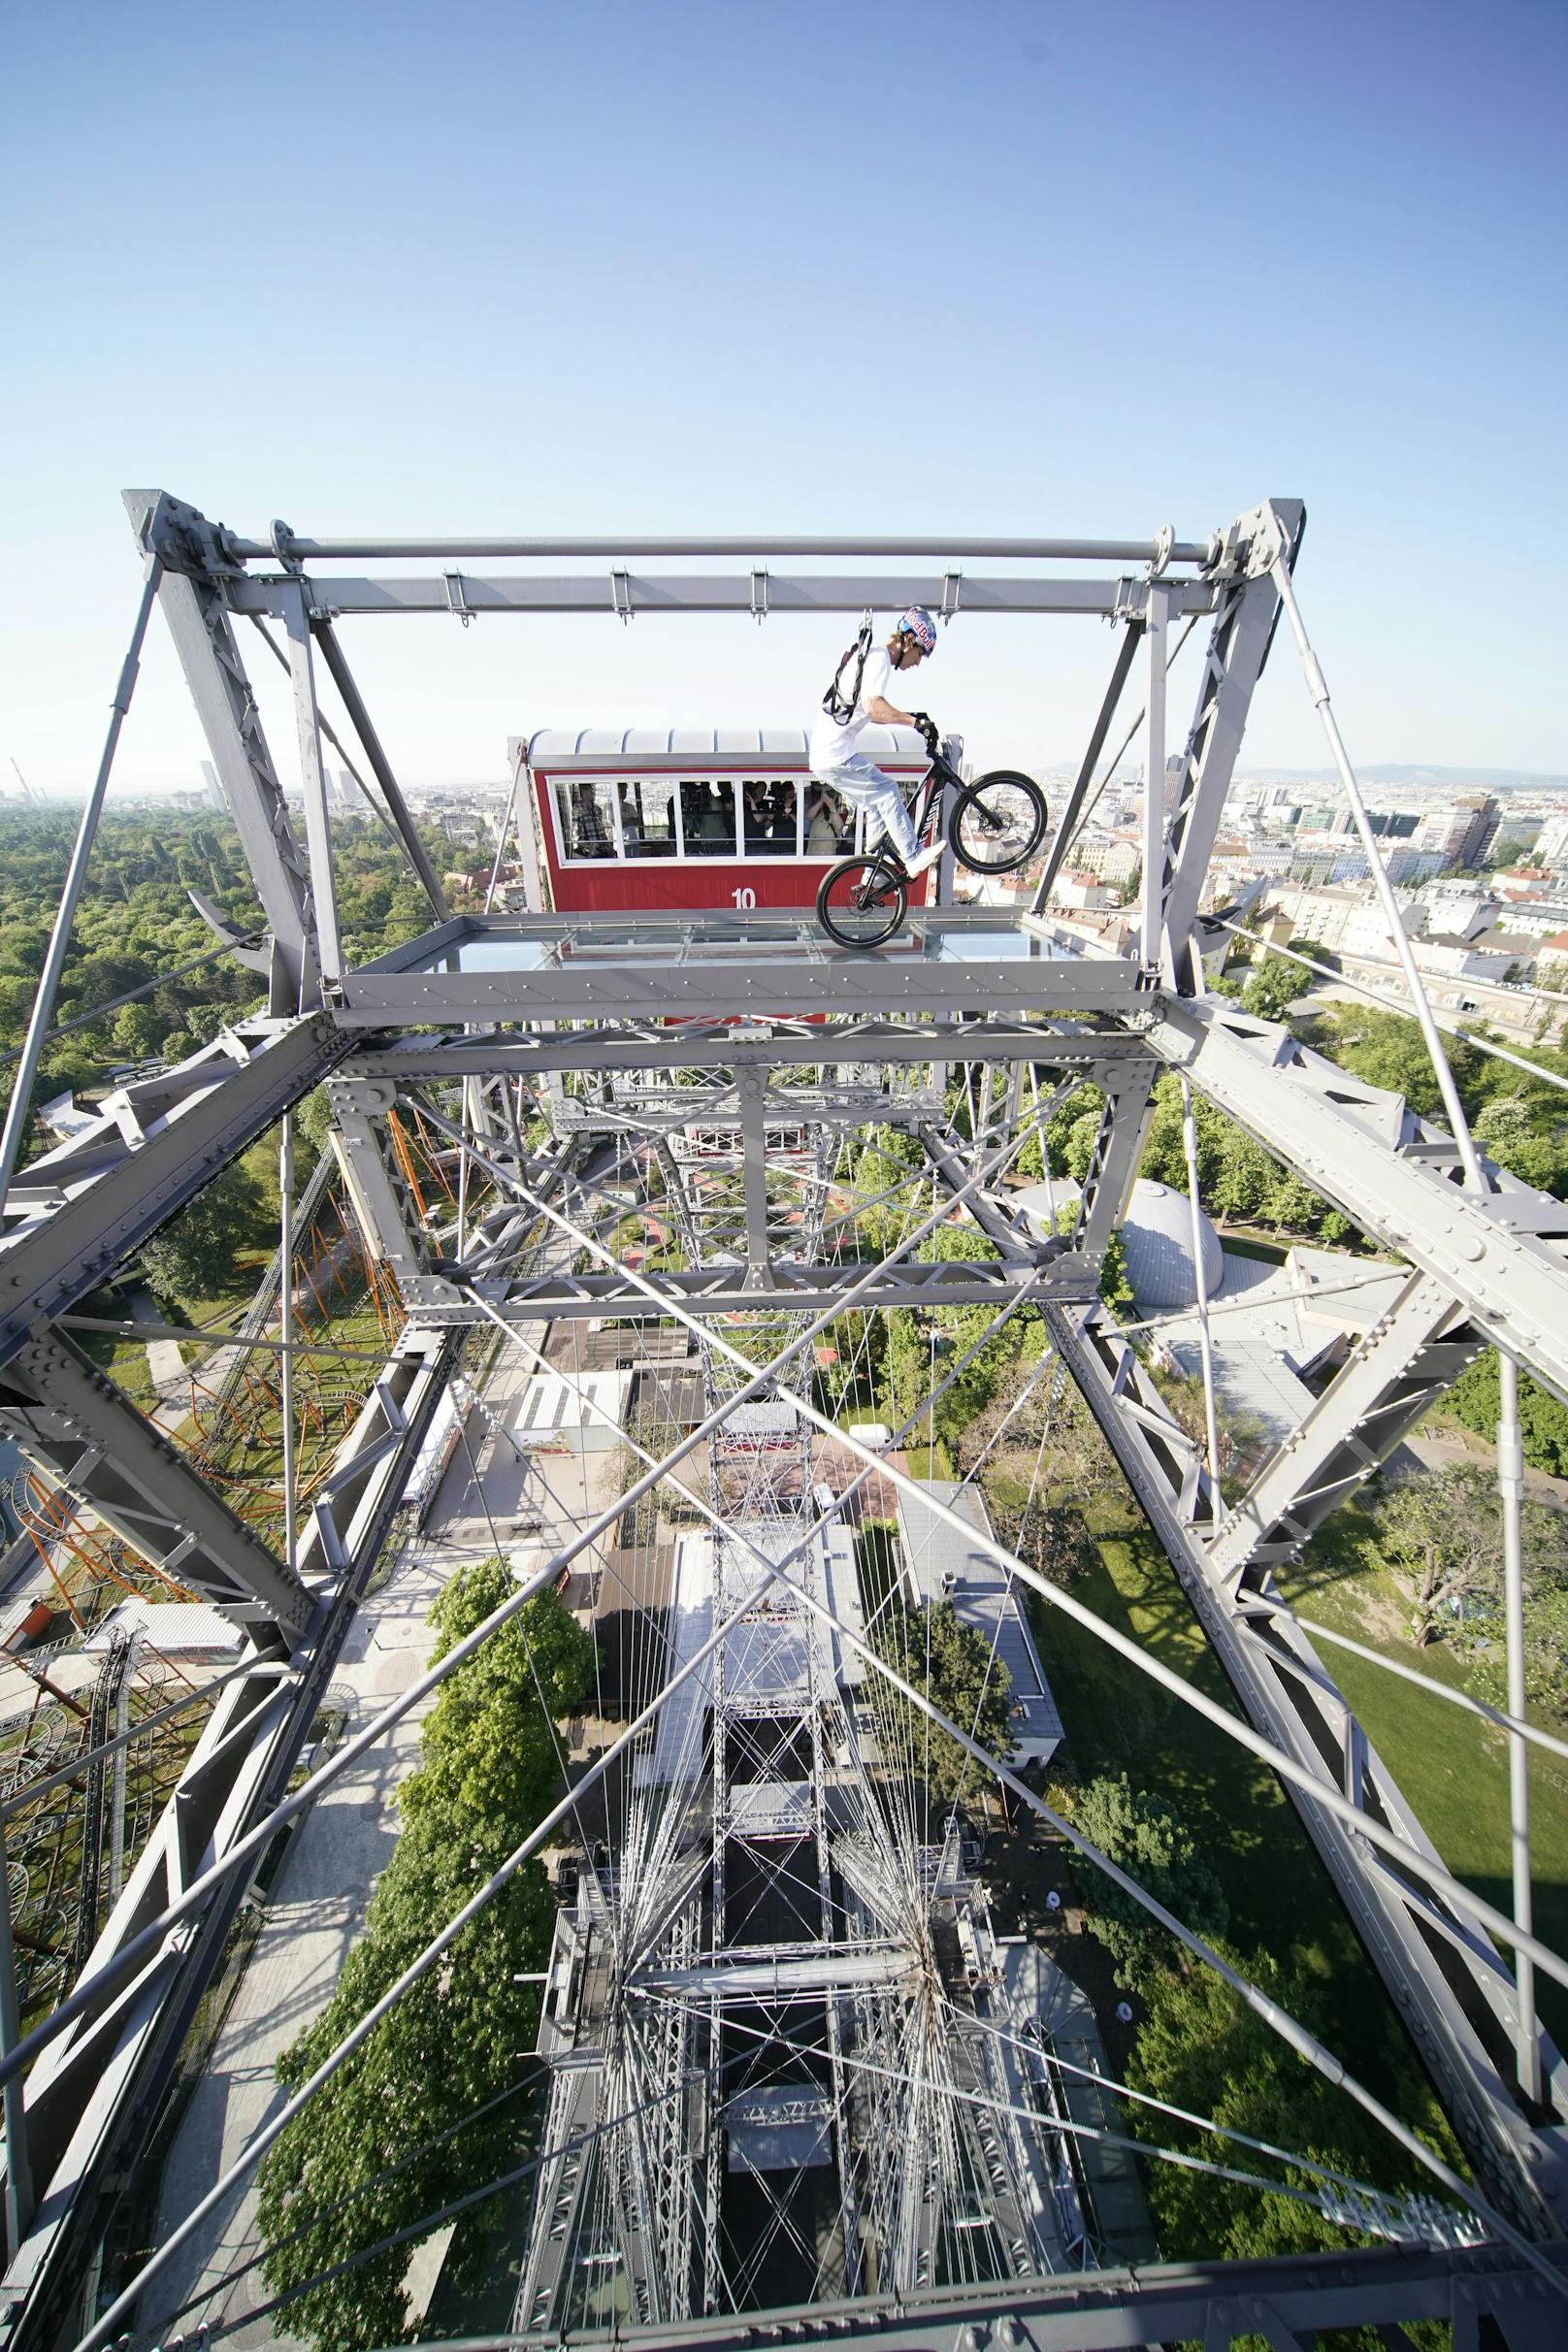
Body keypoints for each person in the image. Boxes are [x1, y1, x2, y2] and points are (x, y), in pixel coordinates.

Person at [807, 606, 944, 875]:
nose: (917, 662)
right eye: (920, 653)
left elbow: (874, 711)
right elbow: (874, 708)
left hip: (827, 754)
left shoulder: (870, 657)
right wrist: (915, 723)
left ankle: (873, 875)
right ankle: (912, 855)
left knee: (875, 804)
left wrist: (912, 717)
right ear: (908, 640)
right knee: (888, 791)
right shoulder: (880, 658)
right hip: (835, 754)